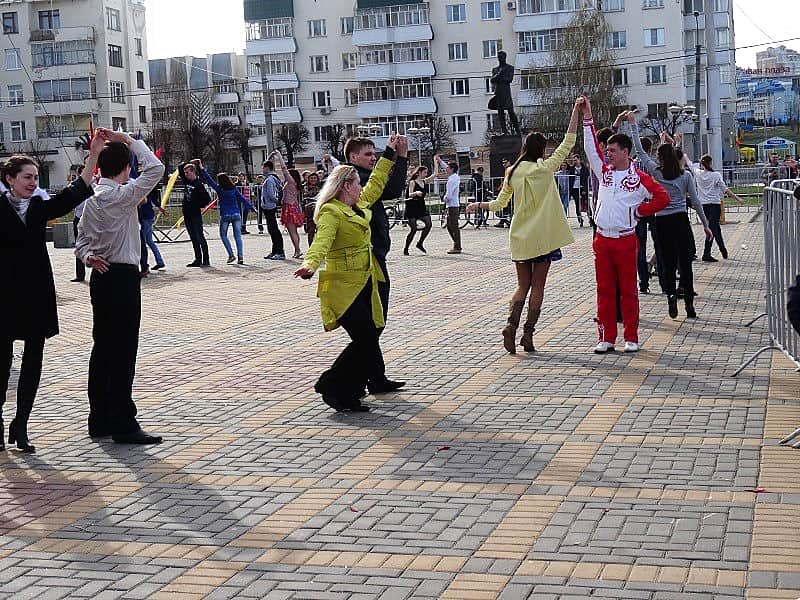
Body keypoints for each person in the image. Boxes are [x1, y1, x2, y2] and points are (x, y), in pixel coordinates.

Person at [0, 143, 100, 452]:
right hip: (3, 297)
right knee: (1, 365)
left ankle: (22, 425)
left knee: (33, 363)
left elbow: (76, 192)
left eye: (35, 177)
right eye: (27, 177)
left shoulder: (40, 207)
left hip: (36, 296)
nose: (33, 182)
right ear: (9, 179)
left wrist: (93, 155)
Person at [468, 98, 581, 353]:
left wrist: (479, 206)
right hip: (543, 238)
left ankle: (510, 324)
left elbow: (499, 204)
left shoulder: (512, 172)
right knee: (538, 287)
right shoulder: (544, 168)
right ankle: (527, 335)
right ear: (541, 150)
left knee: (522, 285)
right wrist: (576, 110)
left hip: (520, 237)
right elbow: (568, 142)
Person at [293, 137, 398, 411]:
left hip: (366, 281)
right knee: (366, 339)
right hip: (343, 287)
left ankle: (343, 389)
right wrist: (310, 264)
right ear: (346, 187)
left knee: (370, 336)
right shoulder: (331, 211)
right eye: (357, 184)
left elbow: (376, 183)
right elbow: (321, 242)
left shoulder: (357, 206)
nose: (362, 187)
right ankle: (333, 385)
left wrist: (389, 154)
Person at [75, 129, 165, 444]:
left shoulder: (92, 199)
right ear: (126, 168)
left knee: (102, 349)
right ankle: (123, 423)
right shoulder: (121, 195)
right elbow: (156, 169)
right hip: (123, 277)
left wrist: (88, 257)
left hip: (100, 278)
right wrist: (128, 139)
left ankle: (98, 418)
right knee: (123, 351)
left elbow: (81, 240)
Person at [581, 97, 670, 354]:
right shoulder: (604, 173)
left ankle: (631, 336)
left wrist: (640, 210)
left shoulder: (639, 178)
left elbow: (663, 197)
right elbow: (590, 148)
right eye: (607, 150)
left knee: (628, 291)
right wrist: (587, 115)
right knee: (604, 291)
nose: (607, 153)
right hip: (602, 239)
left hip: (625, 239)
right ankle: (606, 337)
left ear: (625, 152)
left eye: (612, 150)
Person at [626, 118, 713, 319]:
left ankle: (671, 299)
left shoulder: (657, 172)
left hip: (662, 222)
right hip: (681, 221)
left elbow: (639, 151)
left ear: (661, 159)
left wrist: (633, 125)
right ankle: (689, 305)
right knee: (685, 264)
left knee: (668, 263)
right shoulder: (686, 177)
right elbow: (697, 201)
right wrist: (706, 225)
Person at [344, 135, 409, 394]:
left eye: (375, 153)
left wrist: (400, 157)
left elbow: (389, 188)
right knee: (372, 326)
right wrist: (393, 155)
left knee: (373, 324)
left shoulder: (363, 179)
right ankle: (353, 379)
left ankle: (372, 377)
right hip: (364, 262)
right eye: (368, 153)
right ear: (353, 157)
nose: (373, 157)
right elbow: (386, 188)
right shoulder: (352, 181)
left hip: (375, 259)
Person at [686, 153, 743, 262]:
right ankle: (708, 253)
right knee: (713, 229)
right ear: (711, 163)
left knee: (714, 228)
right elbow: (725, 189)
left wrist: (684, 154)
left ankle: (722, 250)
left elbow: (690, 164)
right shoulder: (716, 175)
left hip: (703, 205)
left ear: (702, 164)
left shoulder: (698, 174)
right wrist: (737, 199)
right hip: (715, 205)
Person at [199, 165, 255, 264]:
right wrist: (251, 207)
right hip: (236, 214)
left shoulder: (219, 189)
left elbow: (209, 180)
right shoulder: (233, 188)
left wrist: (202, 168)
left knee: (223, 235)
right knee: (238, 236)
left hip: (225, 215)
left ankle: (231, 254)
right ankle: (240, 256)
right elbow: (242, 198)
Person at [270, 150, 305, 259]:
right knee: (294, 231)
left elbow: (284, 169)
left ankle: (298, 250)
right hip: (293, 206)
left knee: (292, 231)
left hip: (289, 207)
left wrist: (279, 156)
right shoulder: (296, 184)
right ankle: (297, 249)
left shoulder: (290, 182)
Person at [179, 160, 211, 267]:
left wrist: (198, 204)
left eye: (188, 172)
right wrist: (189, 162)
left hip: (195, 214)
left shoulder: (198, 184)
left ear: (193, 172)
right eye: (185, 173)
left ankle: (206, 259)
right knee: (193, 237)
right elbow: (180, 167)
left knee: (199, 236)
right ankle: (198, 259)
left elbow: (207, 199)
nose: (185, 174)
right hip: (187, 214)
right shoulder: (186, 181)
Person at [404, 160, 438, 255]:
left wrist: (435, 161)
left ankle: (420, 243)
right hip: (412, 207)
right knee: (413, 229)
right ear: (419, 173)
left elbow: (435, 174)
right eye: (424, 172)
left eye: (427, 173)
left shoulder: (424, 181)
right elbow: (410, 194)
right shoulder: (412, 182)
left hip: (421, 207)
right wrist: (416, 193)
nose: (426, 174)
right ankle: (406, 248)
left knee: (429, 224)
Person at [489, 50, 520, 136]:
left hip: (506, 93)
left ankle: (518, 131)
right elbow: (492, 80)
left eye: (501, 57)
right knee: (500, 113)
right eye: (498, 57)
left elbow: (509, 79)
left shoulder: (510, 68)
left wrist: (498, 78)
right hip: (498, 93)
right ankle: (504, 131)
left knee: (511, 112)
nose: (499, 58)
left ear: (505, 57)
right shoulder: (495, 69)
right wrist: (500, 74)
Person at [138, 186, 167, 276]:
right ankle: (159, 261)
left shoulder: (140, 188)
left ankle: (145, 266)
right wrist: (160, 208)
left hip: (145, 217)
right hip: (150, 216)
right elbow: (154, 200)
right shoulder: (148, 188)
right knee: (149, 241)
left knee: (142, 243)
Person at [260, 160, 285, 260]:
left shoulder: (270, 179)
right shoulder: (272, 178)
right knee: (272, 229)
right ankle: (275, 250)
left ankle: (280, 251)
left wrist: (276, 201)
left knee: (274, 230)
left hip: (269, 206)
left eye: (263, 167)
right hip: (269, 206)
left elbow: (271, 194)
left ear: (267, 168)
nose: (262, 169)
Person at [438, 158, 462, 254]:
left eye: (448, 168)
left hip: (452, 205)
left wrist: (444, 198)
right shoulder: (455, 176)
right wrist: (440, 161)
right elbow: (446, 166)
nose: (446, 169)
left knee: (453, 226)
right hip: (453, 205)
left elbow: (449, 195)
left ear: (452, 169)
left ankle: (457, 246)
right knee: (449, 226)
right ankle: (456, 244)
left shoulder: (452, 180)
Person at [71, 166, 88, 282]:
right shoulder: (75, 187)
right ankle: (80, 274)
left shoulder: (94, 186)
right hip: (78, 218)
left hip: (90, 219)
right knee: (79, 245)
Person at [568, 156, 588, 227]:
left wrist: (585, 189)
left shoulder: (584, 169)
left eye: (576, 160)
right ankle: (580, 220)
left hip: (583, 188)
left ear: (579, 160)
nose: (575, 162)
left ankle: (591, 219)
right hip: (574, 189)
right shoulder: (572, 169)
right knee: (577, 205)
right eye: (573, 160)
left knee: (586, 204)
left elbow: (586, 180)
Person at [303, 172, 323, 245]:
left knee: (319, 230)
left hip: (319, 211)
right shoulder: (305, 187)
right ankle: (311, 246)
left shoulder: (322, 187)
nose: (313, 179)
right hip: (309, 212)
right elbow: (304, 198)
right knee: (310, 231)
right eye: (311, 178)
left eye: (314, 178)